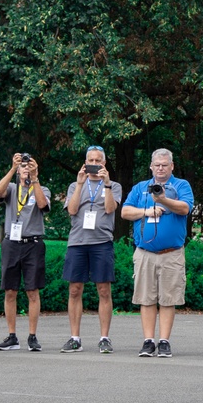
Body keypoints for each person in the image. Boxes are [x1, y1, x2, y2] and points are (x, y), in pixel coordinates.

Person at [121, 148, 194, 358]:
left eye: (165, 165)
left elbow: (185, 208)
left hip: (171, 253)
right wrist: (146, 211)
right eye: (157, 165)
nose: (160, 168)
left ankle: (164, 341)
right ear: (151, 166)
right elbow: (125, 211)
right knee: (146, 298)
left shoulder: (181, 185)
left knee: (168, 298)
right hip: (145, 253)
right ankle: (148, 341)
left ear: (172, 166)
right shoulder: (140, 187)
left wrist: (162, 200)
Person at [61, 146, 123, 353]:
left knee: (104, 290)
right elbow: (71, 210)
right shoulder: (74, 185)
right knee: (75, 289)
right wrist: (80, 184)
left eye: (98, 161)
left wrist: (105, 184)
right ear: (85, 162)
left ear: (104, 163)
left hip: (101, 242)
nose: (94, 164)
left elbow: (109, 208)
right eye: (91, 160)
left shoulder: (114, 185)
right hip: (77, 242)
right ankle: (74, 337)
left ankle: (104, 337)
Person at [0, 153, 51, 351]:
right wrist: (12, 169)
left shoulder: (41, 189)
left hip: (32, 244)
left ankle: (32, 336)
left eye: (29, 167)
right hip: (11, 243)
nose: (25, 170)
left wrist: (34, 178)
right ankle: (11, 336)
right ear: (18, 171)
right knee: (10, 291)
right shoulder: (12, 188)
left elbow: (43, 205)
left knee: (32, 291)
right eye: (22, 167)